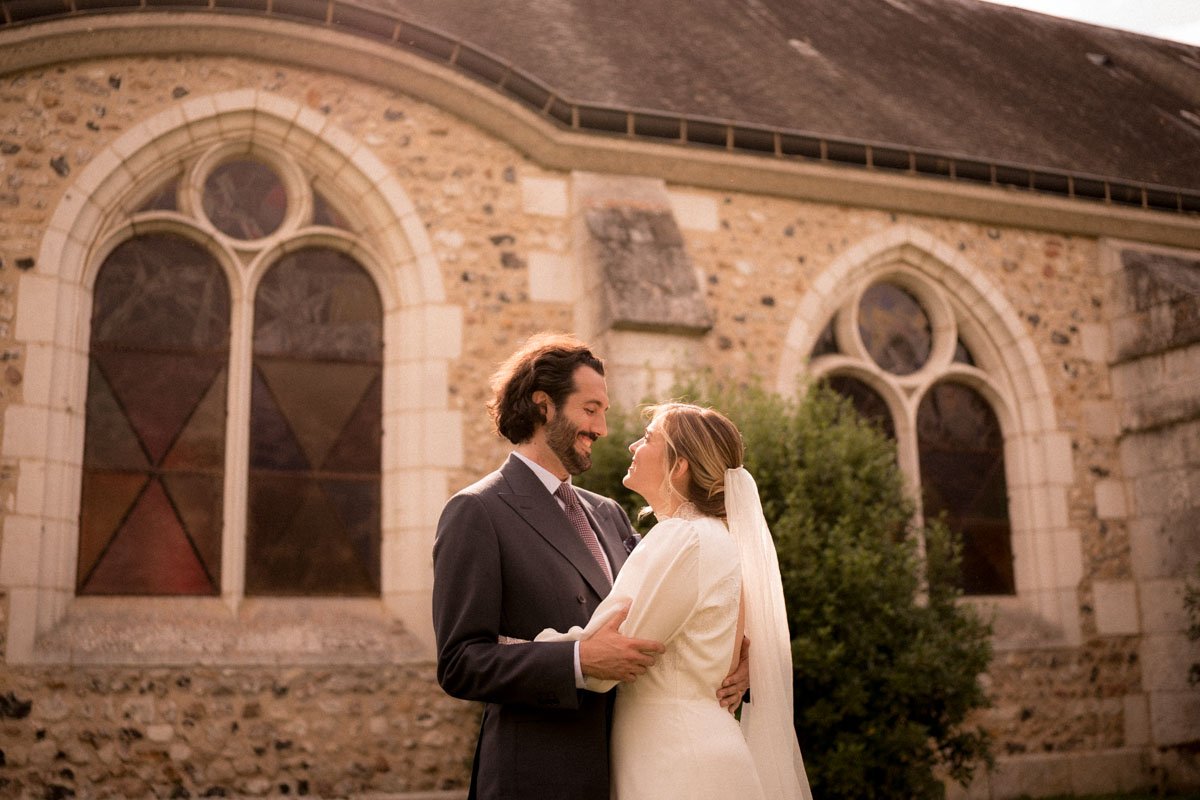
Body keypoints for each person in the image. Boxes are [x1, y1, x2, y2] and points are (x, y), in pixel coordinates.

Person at [432, 334, 748, 800]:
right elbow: (460, 663)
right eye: (590, 408)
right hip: (538, 779)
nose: (602, 427)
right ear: (543, 407)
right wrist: (577, 661)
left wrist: (740, 649)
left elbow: (691, 588)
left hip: (631, 770)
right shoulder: (478, 511)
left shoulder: (608, 513)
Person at [537, 402, 813, 799]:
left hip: (675, 761)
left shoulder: (683, 538)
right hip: (700, 746)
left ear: (679, 464)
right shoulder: (719, 538)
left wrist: (519, 648)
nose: (633, 445)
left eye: (648, 438)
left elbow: (612, 656)